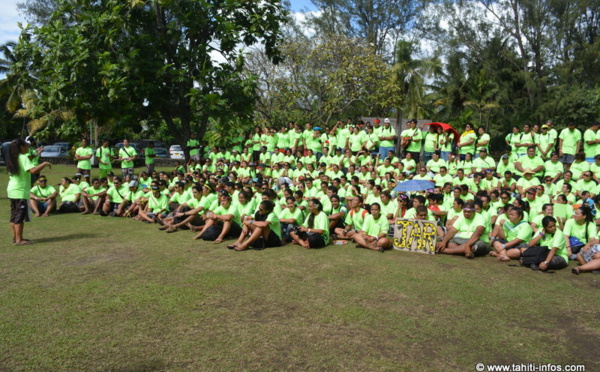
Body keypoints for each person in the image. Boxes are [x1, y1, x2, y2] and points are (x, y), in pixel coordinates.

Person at [6, 138, 51, 245]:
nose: (28, 147)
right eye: (26, 145)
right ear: (21, 147)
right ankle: (19, 240)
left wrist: (37, 153)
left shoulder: (13, 158)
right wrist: (44, 163)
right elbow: (33, 170)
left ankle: (15, 238)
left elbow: (29, 160)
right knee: (19, 216)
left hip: (12, 190)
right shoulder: (23, 157)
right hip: (20, 191)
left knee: (14, 215)